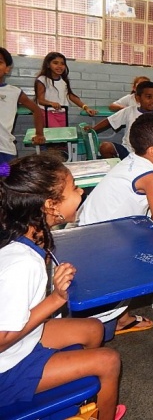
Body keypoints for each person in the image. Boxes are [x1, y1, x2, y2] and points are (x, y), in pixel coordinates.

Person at [0, 154, 124, 420]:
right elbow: (2, 339)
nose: (81, 192)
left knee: (94, 328)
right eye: (74, 188)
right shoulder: (23, 264)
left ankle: (86, 399)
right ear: (50, 205)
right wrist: (56, 299)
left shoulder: (25, 233)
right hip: (6, 371)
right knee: (109, 360)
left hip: (20, 343)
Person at [78, 113, 153, 334]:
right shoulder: (150, 175)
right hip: (97, 240)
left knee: (152, 239)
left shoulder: (140, 161)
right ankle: (116, 318)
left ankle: (121, 315)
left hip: (93, 230)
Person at [86, 80, 153, 159]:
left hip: (149, 155)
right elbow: (109, 121)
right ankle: (118, 165)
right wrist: (93, 129)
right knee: (105, 147)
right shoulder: (129, 111)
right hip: (128, 151)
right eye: (149, 97)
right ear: (138, 98)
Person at [0, 47, 45, 164]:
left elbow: (36, 110)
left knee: (4, 175)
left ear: (7, 69)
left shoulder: (14, 92)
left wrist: (39, 134)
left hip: (4, 151)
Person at [34, 52, 97, 126]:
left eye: (62, 64)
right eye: (55, 63)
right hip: (47, 112)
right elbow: (40, 100)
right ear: (48, 65)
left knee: (63, 132)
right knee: (57, 132)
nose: (59, 66)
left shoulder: (64, 80)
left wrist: (86, 108)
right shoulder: (42, 80)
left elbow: (71, 96)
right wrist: (51, 103)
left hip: (62, 112)